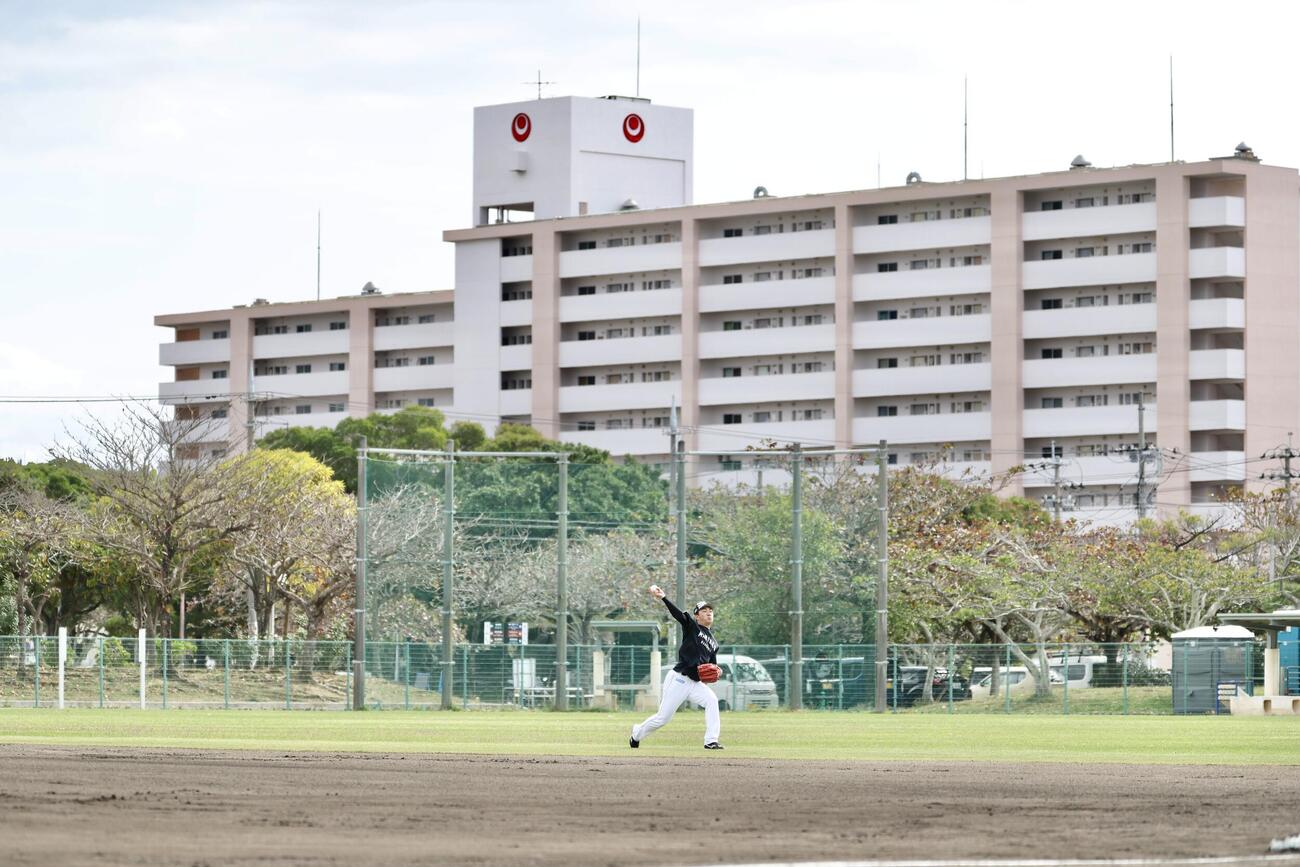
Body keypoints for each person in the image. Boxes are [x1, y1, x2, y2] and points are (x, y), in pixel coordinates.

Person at [629, 584, 723, 750]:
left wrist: (718, 671)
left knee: (712, 700)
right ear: (697, 616)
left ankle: (711, 741)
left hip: (695, 683)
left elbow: (712, 666)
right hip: (680, 678)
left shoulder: (714, 643)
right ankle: (637, 734)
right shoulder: (693, 627)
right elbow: (679, 615)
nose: (708, 613)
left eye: (710, 611)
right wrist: (663, 598)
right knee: (663, 718)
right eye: (704, 611)